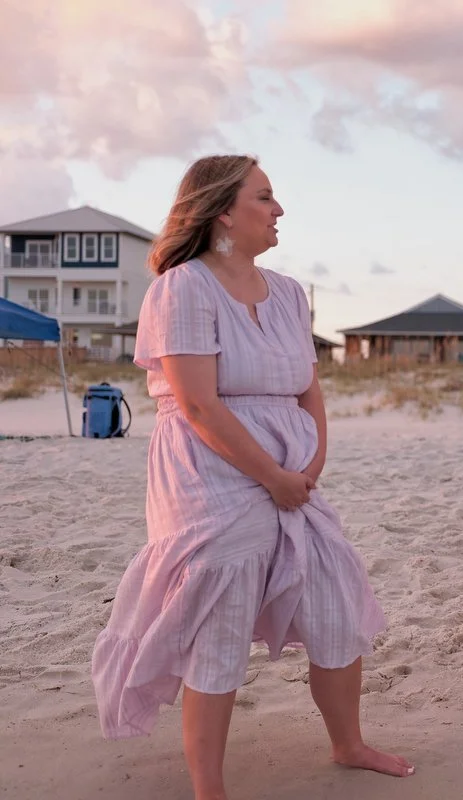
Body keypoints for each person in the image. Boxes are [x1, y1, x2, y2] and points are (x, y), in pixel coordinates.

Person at [91, 156, 412, 799]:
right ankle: (209, 785)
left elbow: (308, 388)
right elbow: (200, 404)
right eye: (264, 198)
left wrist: (309, 465)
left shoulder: (290, 292)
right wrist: (271, 476)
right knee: (221, 612)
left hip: (292, 473)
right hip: (210, 472)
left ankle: (347, 743)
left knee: (333, 594)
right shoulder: (182, 288)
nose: (279, 210)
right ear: (221, 213)